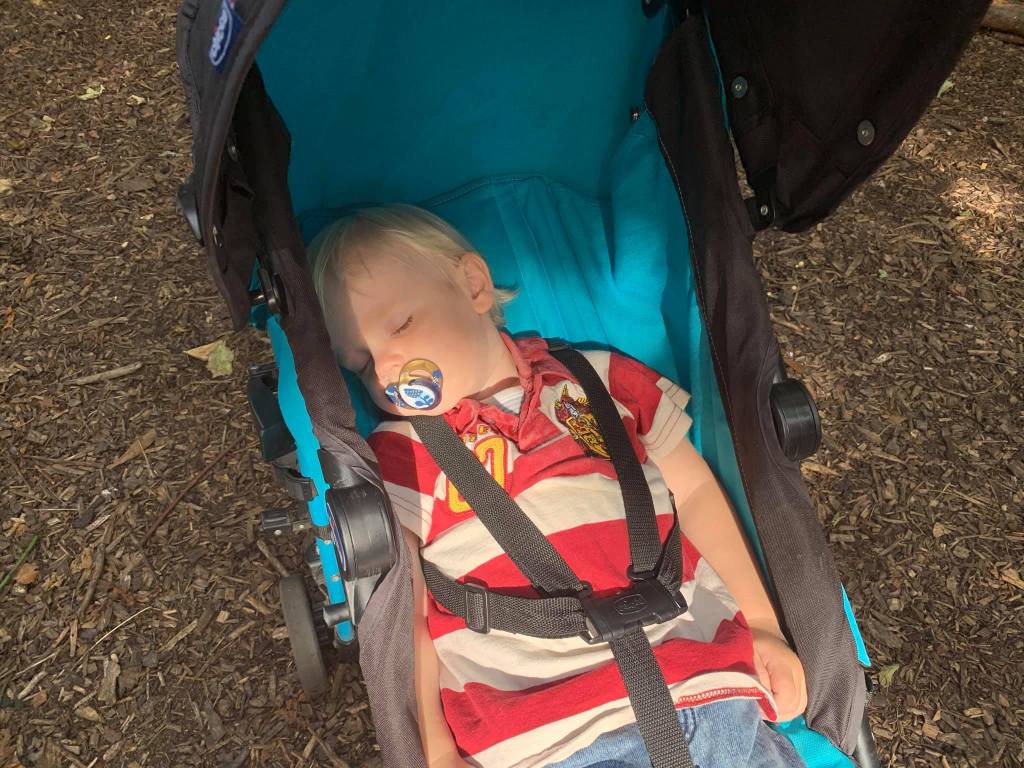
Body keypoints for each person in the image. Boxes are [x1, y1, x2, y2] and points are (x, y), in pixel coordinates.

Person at [310, 204, 808, 768]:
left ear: (473, 286)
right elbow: (407, 612)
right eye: (361, 365)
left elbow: (693, 494)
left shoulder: (602, 377)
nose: (385, 370)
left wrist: (760, 622)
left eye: (400, 326)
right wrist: (435, 749)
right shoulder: (400, 457)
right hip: (551, 734)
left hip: (707, 684)